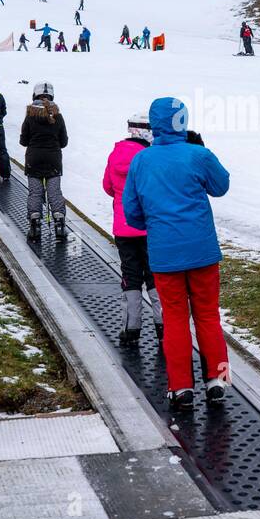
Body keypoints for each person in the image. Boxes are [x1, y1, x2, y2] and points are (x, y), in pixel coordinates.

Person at [122, 97, 231, 409]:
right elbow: (221, 186)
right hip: (203, 252)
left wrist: (156, 221)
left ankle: (181, 387)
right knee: (208, 315)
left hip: (165, 254)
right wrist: (202, 150)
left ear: (155, 125)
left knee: (175, 319)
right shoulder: (198, 155)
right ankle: (218, 379)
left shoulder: (141, 161)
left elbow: (131, 213)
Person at [103, 112, 162, 345]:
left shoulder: (115, 153)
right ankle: (162, 327)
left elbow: (107, 186)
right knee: (155, 276)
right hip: (148, 228)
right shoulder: (149, 157)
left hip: (123, 228)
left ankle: (130, 328)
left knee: (130, 276)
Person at [20, 81, 69, 241]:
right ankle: (60, 224)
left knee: (35, 192)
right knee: (54, 192)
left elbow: (23, 140)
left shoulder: (30, 115)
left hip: (33, 159)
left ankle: (35, 225)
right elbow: (63, 142)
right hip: (53, 159)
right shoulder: (57, 115)